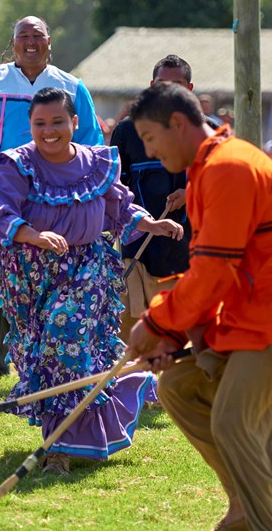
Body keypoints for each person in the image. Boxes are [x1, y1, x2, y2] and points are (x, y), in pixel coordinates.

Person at [125, 82, 272, 531]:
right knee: (178, 386)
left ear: (178, 124)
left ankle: (259, 522)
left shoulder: (228, 167)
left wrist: (157, 321)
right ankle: (244, 505)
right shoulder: (207, 169)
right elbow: (214, 268)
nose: (146, 148)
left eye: (149, 137)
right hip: (254, 313)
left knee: (232, 419)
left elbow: (214, 273)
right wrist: (171, 334)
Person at [0, 87, 182, 475]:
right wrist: (32, 235)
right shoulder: (14, 165)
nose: (49, 131)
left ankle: (59, 449)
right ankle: (123, 388)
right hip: (30, 276)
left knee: (63, 339)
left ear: (74, 122)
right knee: (48, 357)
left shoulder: (96, 163)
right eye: (40, 123)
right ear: (30, 125)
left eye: (58, 122)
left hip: (86, 268)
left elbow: (118, 205)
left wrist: (150, 223)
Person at [0, 15, 104, 377]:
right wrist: (0, 174)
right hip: (3, 191)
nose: (30, 42)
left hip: (54, 198)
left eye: (37, 36)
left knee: (48, 279)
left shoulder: (71, 86)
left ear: (49, 43)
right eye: (22, 36)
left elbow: (90, 140)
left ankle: (39, 354)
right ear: (12, 44)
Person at [110, 54, 196, 341]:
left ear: (191, 89)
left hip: (189, 253)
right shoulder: (126, 130)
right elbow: (114, 190)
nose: (169, 93)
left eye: (178, 85)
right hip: (138, 250)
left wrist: (192, 192)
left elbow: (227, 190)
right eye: (162, 84)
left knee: (179, 336)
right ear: (150, 86)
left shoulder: (206, 132)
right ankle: (130, 385)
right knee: (131, 333)